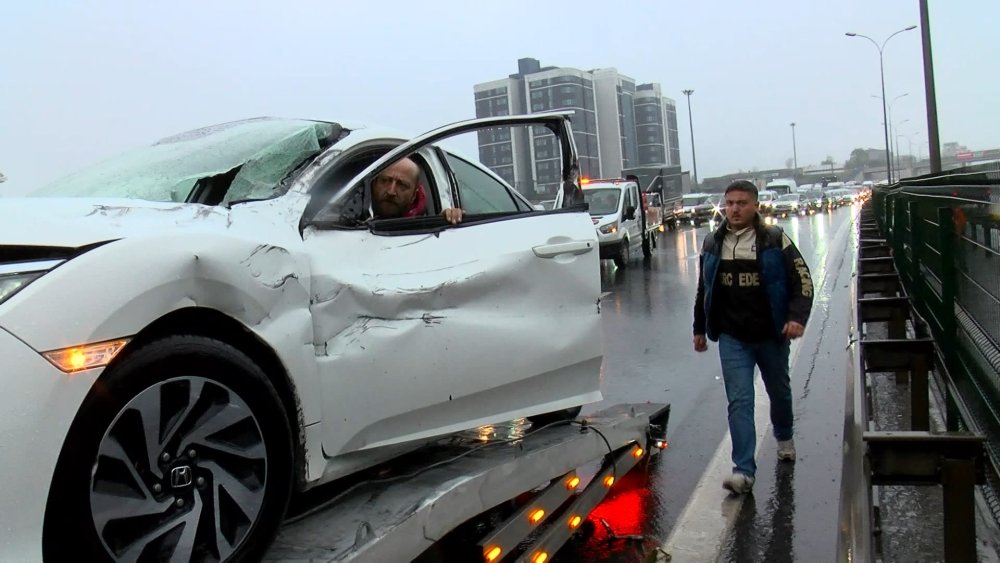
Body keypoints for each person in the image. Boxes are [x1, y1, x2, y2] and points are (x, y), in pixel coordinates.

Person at [692, 179, 814, 495]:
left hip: (770, 334)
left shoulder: (775, 240)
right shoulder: (713, 243)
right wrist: (699, 329)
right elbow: (704, 289)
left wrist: (796, 318)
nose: (734, 209)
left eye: (742, 203)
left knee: (779, 391)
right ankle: (743, 471)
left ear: (755, 205)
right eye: (730, 203)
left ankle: (784, 436)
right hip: (733, 337)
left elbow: (803, 281)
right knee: (740, 401)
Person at [372, 157, 464, 224]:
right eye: (385, 181)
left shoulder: (425, 226)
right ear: (374, 184)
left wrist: (450, 217)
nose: (391, 192)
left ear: (414, 196)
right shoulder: (359, 209)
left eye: (402, 185)